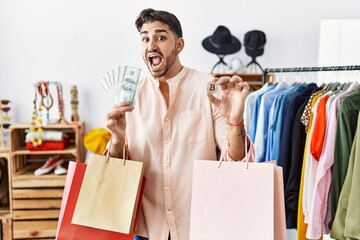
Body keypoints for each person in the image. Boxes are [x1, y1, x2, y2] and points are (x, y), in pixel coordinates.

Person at [105, 8, 251, 240]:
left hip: (199, 226)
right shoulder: (130, 97)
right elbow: (116, 174)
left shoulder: (208, 88)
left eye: (161, 37)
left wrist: (234, 120)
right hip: (147, 230)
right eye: (145, 38)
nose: (151, 45)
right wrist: (117, 140)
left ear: (179, 45)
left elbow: (236, 159)